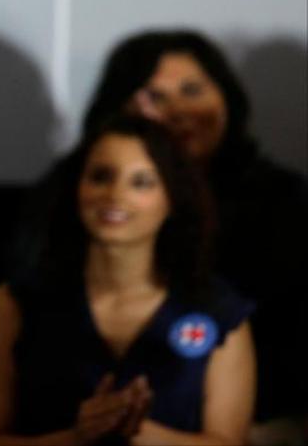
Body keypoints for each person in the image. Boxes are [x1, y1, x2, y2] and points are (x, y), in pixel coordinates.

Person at [0, 115, 256, 446]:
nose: (115, 194)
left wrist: (137, 431)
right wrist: (76, 437)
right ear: (77, 187)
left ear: (172, 199)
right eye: (101, 177)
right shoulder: (14, 304)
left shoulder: (216, 311)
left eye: (142, 182)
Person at [80, 29, 308, 438]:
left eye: (192, 90)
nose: (178, 111)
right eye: (155, 97)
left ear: (227, 98)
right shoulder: (82, 197)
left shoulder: (286, 203)